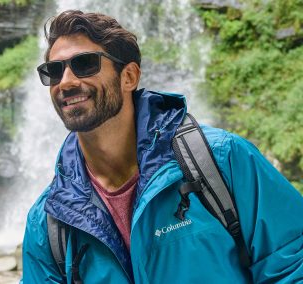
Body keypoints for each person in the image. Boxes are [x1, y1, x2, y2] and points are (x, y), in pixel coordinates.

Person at [21, 10, 303, 283]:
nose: (66, 82)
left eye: (85, 64)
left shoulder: (222, 161)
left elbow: (292, 264)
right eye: (54, 71)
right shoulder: (49, 221)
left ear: (129, 77)